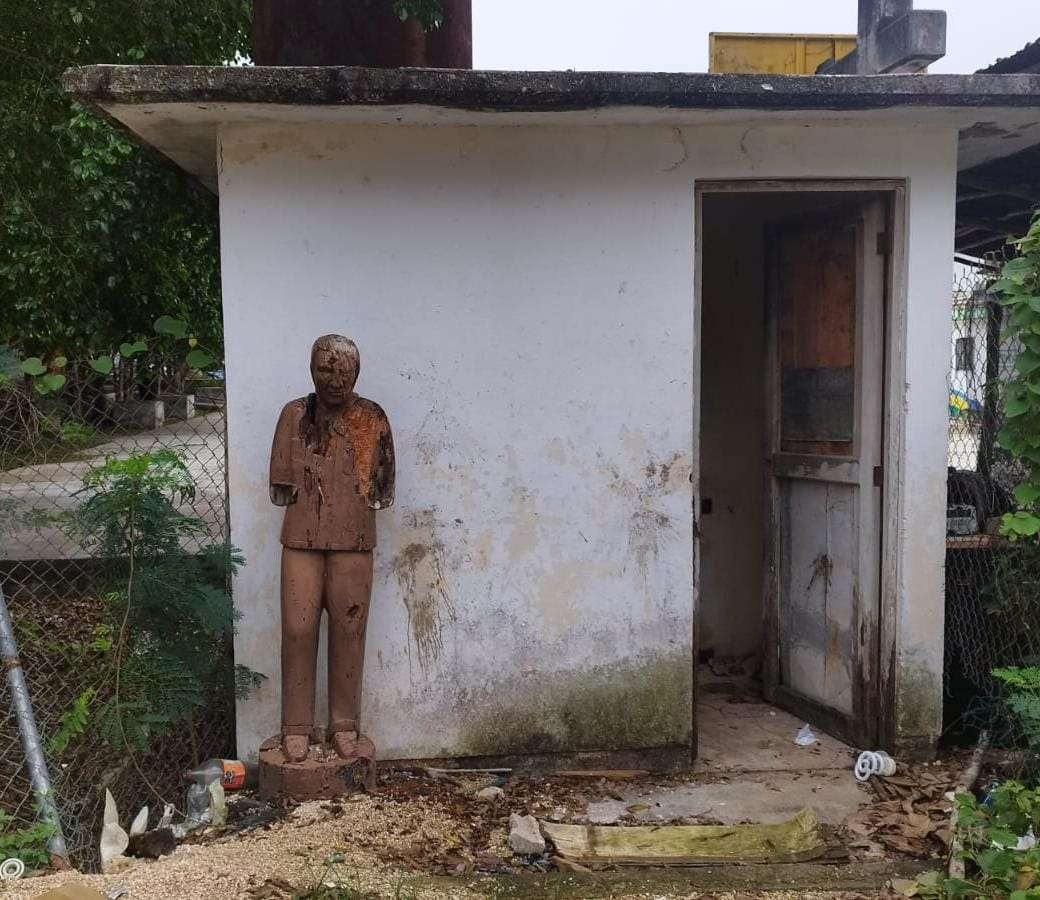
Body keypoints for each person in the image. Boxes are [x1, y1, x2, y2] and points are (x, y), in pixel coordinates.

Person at [269, 334, 394, 762]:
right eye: (325, 368)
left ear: (357, 373)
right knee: (298, 629)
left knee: (349, 629)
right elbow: (280, 489)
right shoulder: (294, 415)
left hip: (355, 540)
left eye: (344, 370)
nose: (335, 379)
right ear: (311, 369)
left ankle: (345, 723)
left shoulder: (373, 418)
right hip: (301, 538)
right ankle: (296, 725)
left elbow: (382, 488)